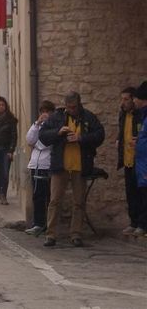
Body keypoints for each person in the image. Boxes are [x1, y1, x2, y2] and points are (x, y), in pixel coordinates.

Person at [40, 91, 105, 247]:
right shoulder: (57, 117)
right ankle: (51, 235)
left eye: (73, 107)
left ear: (79, 104)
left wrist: (80, 138)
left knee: (79, 201)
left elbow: (100, 135)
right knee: (55, 200)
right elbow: (43, 136)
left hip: (80, 165)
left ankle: (76, 234)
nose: (71, 110)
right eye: (68, 107)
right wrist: (58, 132)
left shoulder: (88, 117)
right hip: (60, 165)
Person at [25, 100, 55, 236]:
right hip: (35, 164)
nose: (45, 114)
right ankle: (38, 223)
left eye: (47, 112)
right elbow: (30, 140)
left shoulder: (54, 126)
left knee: (49, 196)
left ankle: (49, 224)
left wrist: (36, 144)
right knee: (37, 196)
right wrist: (37, 123)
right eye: (42, 112)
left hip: (47, 164)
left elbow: (45, 144)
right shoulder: (37, 126)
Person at [117, 87, 142, 235]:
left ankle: (142, 223)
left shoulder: (139, 115)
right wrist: (118, 140)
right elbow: (122, 132)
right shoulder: (123, 115)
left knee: (140, 193)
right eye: (122, 99)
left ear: (133, 99)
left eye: (126, 99)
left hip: (138, 159)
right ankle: (133, 222)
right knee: (130, 193)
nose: (123, 102)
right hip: (127, 159)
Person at [132, 81, 147, 238]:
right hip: (142, 165)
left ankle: (143, 225)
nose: (133, 101)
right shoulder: (143, 116)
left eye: (135, 98)